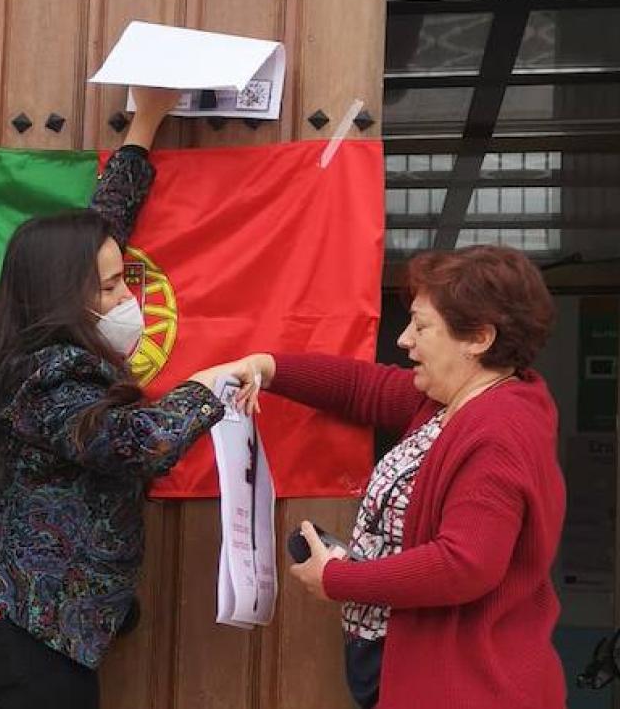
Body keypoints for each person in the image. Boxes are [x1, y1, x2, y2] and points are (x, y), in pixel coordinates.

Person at [0, 87, 229, 709]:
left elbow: (100, 229)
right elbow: (138, 443)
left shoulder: (30, 347)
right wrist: (219, 379)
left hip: (12, 635)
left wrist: (144, 124)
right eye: (114, 286)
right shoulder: (49, 375)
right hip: (24, 647)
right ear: (67, 297)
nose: (129, 299)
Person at [207, 245, 566, 709]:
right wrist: (266, 368)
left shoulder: (498, 431)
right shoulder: (447, 402)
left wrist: (339, 579)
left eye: (421, 326)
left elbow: (464, 565)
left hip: (471, 686)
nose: (404, 340)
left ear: (478, 338)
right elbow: (362, 387)